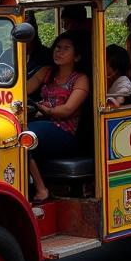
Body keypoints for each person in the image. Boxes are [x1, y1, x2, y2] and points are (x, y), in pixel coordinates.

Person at [26, 31, 90, 202]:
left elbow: (68, 110)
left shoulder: (80, 79)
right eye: (57, 47)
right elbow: (22, 89)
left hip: (66, 133)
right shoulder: (46, 72)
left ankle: (41, 190)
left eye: (65, 49)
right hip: (44, 125)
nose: (58, 52)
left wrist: (45, 109)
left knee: (26, 135)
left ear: (76, 57)